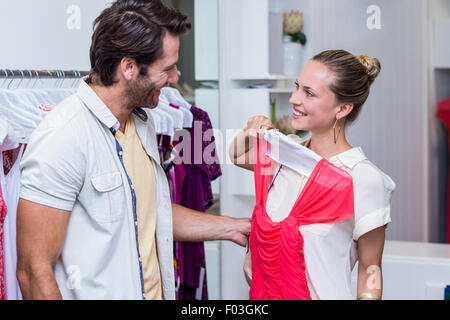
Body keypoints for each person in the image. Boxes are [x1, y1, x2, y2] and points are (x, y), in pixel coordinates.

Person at [16, 0, 250, 300]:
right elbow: (33, 271)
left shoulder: (142, 122)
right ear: (128, 67)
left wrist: (231, 228)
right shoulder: (64, 136)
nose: (176, 78)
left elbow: (148, 212)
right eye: (167, 68)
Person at [230, 50, 396, 300]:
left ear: (343, 108)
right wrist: (251, 130)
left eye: (309, 93)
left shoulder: (362, 178)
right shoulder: (285, 154)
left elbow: (369, 270)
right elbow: (236, 155)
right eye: (297, 87)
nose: (294, 99)